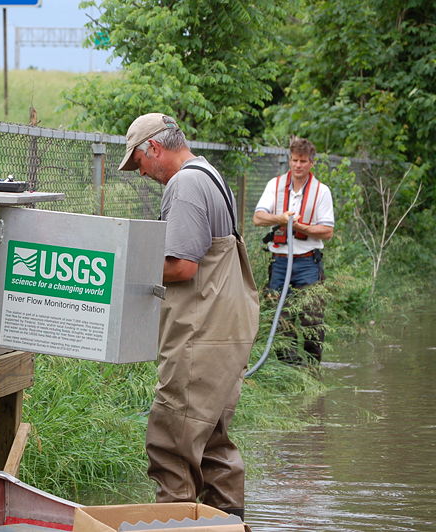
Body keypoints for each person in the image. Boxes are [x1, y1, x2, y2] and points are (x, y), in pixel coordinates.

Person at [119, 113, 259, 520]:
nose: (141, 172)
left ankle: (175, 526)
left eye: (139, 162)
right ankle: (230, 526)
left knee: (172, 442)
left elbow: (182, 266)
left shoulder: (184, 185)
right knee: (214, 442)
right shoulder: (209, 174)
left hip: (201, 333)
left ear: (155, 148)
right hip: (226, 331)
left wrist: (124, 268)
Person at [253, 137, 334, 366]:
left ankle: (312, 370)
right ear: (290, 160)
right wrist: (280, 219)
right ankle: (289, 371)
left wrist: (300, 227)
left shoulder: (321, 191)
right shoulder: (275, 185)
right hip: (280, 262)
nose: (298, 165)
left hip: (308, 262)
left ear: (311, 163)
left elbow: (327, 231)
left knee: (311, 321)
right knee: (280, 320)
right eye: (295, 160)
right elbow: (258, 217)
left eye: (303, 161)